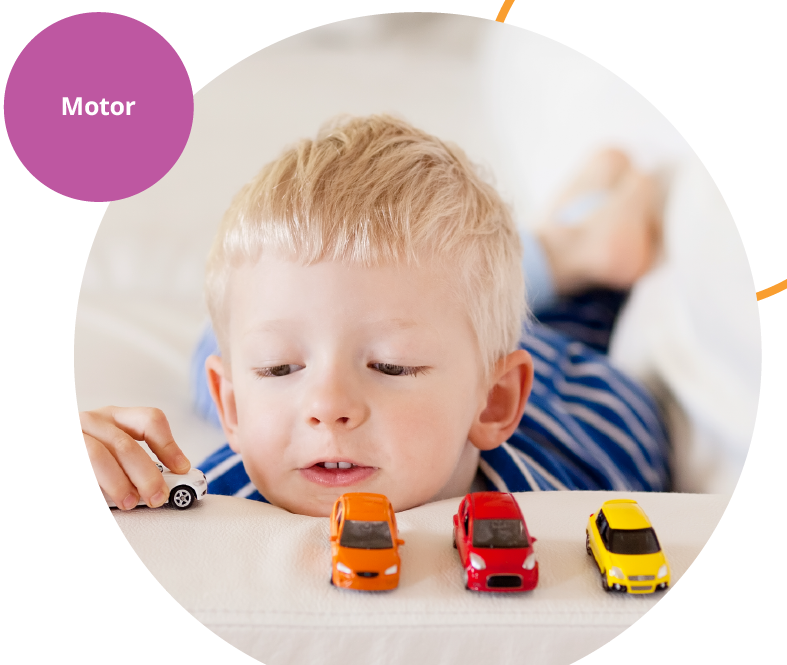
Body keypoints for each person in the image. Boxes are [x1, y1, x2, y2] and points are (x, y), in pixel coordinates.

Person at [81, 115, 668, 517]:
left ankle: (576, 234)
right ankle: (564, 233)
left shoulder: (575, 490)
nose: (326, 406)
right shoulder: (218, 491)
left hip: (553, 372)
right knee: (221, 344)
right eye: (282, 369)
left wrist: (286, 367)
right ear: (229, 410)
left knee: (553, 318)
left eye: (391, 367)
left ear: (494, 403)